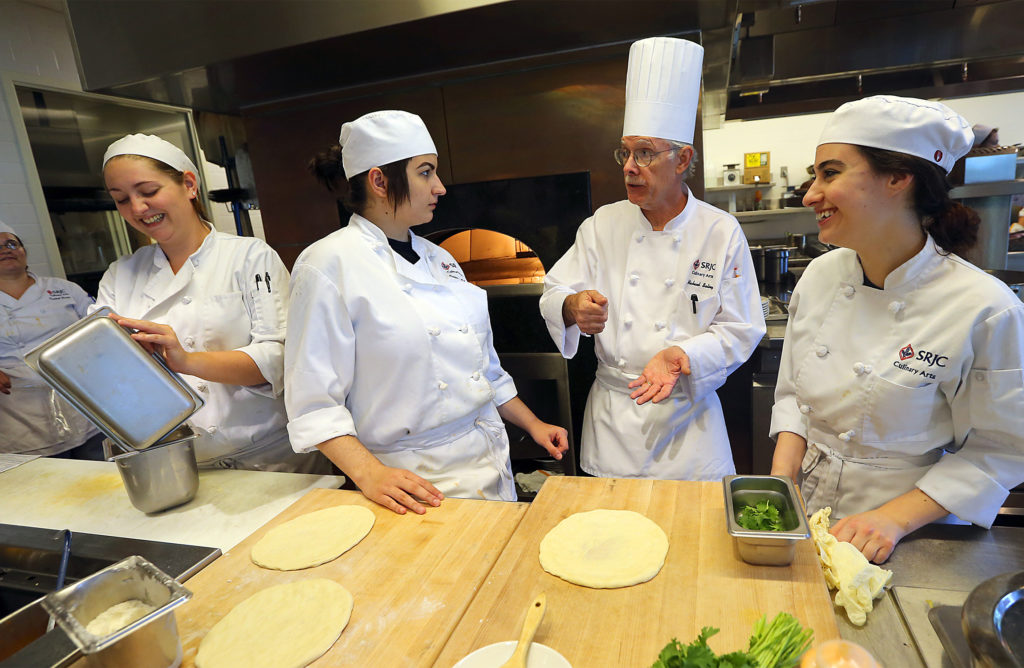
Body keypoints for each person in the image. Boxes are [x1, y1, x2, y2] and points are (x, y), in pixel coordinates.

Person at [770, 95, 1024, 563]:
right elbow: (793, 397)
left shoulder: (985, 308)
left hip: (910, 538)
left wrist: (892, 519)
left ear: (897, 178)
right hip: (807, 516)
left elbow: (998, 452)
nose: (810, 194)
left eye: (830, 173)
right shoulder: (821, 276)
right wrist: (783, 484)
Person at [286, 110, 569, 515]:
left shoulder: (440, 260)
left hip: (487, 461)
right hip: (410, 483)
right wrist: (369, 474)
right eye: (425, 172)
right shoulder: (328, 264)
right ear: (379, 180)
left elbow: (484, 370)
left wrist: (534, 424)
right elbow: (314, 404)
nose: (439, 187)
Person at [539, 37, 766, 480]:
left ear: (682, 159)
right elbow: (555, 290)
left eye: (644, 152)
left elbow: (743, 327)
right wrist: (571, 307)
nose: (628, 166)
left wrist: (681, 353)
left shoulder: (719, 231)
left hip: (690, 427)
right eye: (625, 152)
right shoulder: (603, 224)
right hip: (614, 426)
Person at [95, 134, 325, 472]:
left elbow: (279, 359)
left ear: (189, 184)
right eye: (121, 199)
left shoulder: (249, 257)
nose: (137, 209)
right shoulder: (120, 275)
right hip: (176, 460)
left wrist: (186, 360)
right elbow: (100, 362)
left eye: (148, 192)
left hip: (269, 457)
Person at [0, 221, 103, 458]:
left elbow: (102, 331)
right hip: (21, 420)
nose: (6, 249)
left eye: (11, 243)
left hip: (84, 407)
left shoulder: (65, 290)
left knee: (103, 479)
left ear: (24, 252)